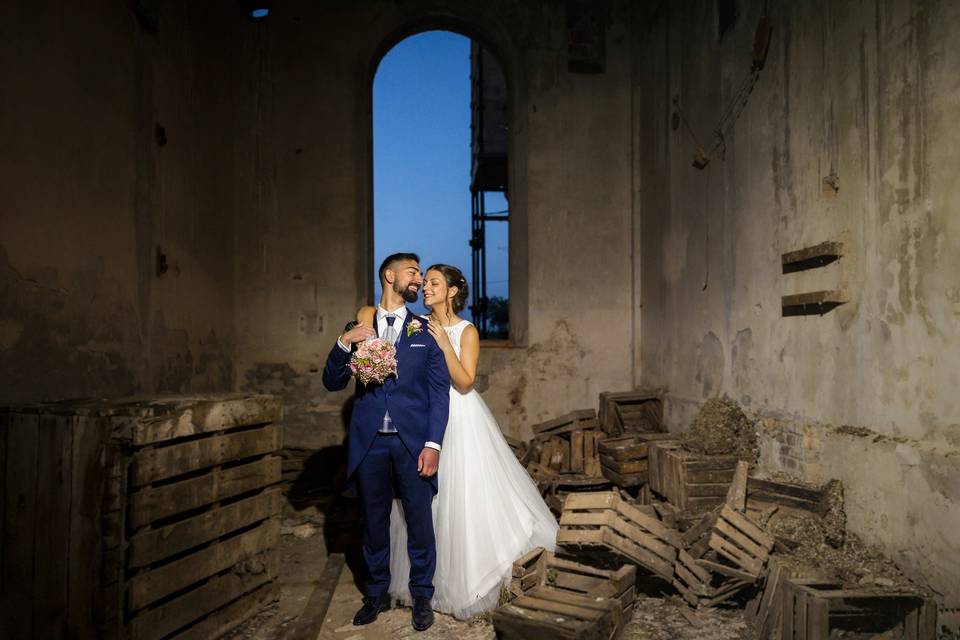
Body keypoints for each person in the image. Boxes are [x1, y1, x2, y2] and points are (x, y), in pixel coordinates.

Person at [387, 264, 559, 619]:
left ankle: (471, 579)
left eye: (434, 283)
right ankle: (427, 582)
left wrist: (440, 342)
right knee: (424, 499)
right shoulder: (415, 323)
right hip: (424, 417)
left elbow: (465, 381)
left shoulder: (466, 331)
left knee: (461, 496)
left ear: (451, 291)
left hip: (461, 416)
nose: (426, 287)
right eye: (426, 282)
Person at [322, 252, 450, 632]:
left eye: (422, 274)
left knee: (419, 522)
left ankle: (422, 595)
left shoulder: (423, 331)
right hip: (370, 444)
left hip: (412, 444)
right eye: (413, 272)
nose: (419, 279)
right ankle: (376, 593)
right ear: (389, 276)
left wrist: (433, 444)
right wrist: (344, 342)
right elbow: (331, 382)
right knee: (374, 522)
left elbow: (439, 394)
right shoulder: (359, 326)